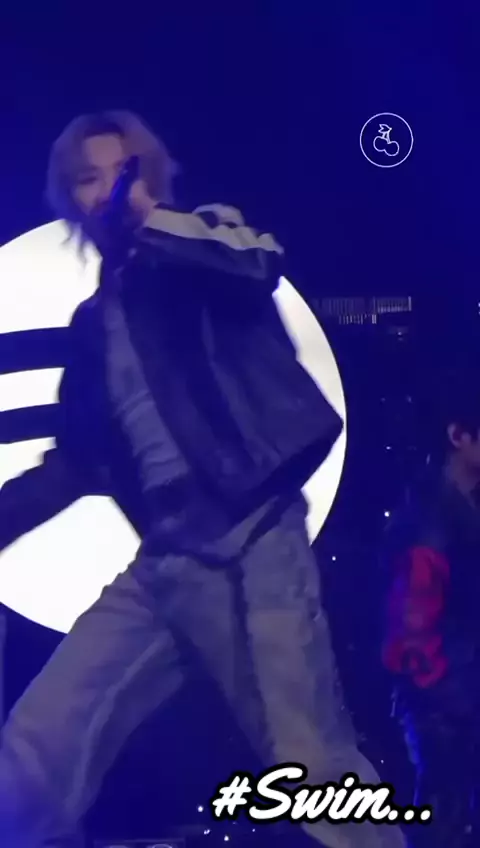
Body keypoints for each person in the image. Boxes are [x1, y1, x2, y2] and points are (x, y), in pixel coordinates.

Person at [0, 110, 405, 848]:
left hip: (253, 543)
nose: (104, 191)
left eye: (120, 171)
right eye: (87, 179)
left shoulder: (204, 244)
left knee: (310, 764)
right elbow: (76, 462)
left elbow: (256, 265)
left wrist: (148, 216)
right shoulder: (94, 324)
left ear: (150, 175)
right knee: (36, 749)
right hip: (164, 564)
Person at [382, 372, 480, 847]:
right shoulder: (428, 519)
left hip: (457, 689)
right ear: (458, 436)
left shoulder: (459, 507)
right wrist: (444, 696)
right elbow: (412, 625)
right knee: (446, 821)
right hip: (444, 699)